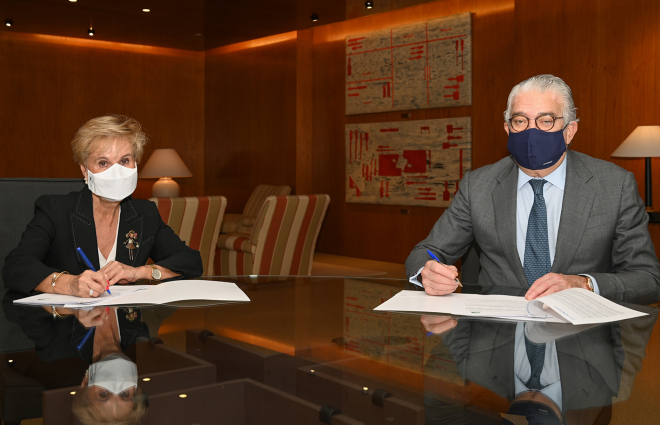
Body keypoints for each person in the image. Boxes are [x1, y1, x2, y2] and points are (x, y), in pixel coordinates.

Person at [406, 74, 660, 304]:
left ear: (569, 131)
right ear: (508, 129)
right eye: (520, 121)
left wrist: (585, 284)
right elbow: (426, 252)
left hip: (581, 335)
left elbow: (648, 279)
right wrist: (427, 272)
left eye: (546, 121)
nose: (531, 132)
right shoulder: (478, 185)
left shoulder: (615, 185)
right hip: (497, 334)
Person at [3, 115, 203, 296]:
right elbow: (16, 267)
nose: (116, 172)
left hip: (123, 321)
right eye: (103, 163)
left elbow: (191, 261)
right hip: (64, 321)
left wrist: (139, 272)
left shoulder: (145, 213)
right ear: (85, 170)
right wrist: (68, 284)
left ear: (135, 164)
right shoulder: (55, 210)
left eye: (124, 160)